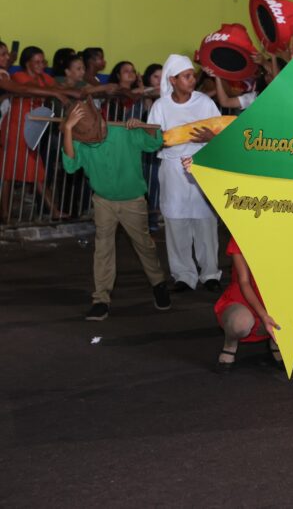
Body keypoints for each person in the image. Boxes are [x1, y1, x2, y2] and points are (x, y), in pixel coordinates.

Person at [61, 102, 170, 321]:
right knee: (103, 248)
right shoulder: (79, 138)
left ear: (102, 119)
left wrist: (143, 126)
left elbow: (154, 142)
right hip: (103, 201)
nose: (95, 137)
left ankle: (158, 282)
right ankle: (100, 299)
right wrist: (68, 130)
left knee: (144, 245)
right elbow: (70, 166)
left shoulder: (123, 130)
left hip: (133, 201)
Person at [146, 54, 223, 293]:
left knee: (205, 221)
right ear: (173, 80)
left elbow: (221, 132)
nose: (192, 80)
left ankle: (210, 273)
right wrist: (159, 140)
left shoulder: (204, 102)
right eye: (186, 76)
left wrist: (211, 137)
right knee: (176, 221)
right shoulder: (161, 106)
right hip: (172, 169)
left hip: (201, 166)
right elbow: (152, 138)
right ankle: (183, 275)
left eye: (192, 76)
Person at [0, 46, 71, 221]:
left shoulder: (44, 78)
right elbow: (26, 89)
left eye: (43, 62)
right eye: (36, 62)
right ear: (27, 63)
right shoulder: (18, 76)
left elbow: (63, 89)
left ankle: (52, 210)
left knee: (34, 168)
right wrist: (54, 92)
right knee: (8, 170)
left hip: (31, 127)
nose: (41, 65)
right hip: (15, 125)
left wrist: (87, 91)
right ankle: (5, 212)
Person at [214, 235, 280, 373]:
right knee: (240, 323)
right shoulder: (242, 234)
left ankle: (276, 341)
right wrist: (263, 315)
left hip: (275, 297)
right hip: (243, 298)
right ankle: (230, 344)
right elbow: (244, 282)